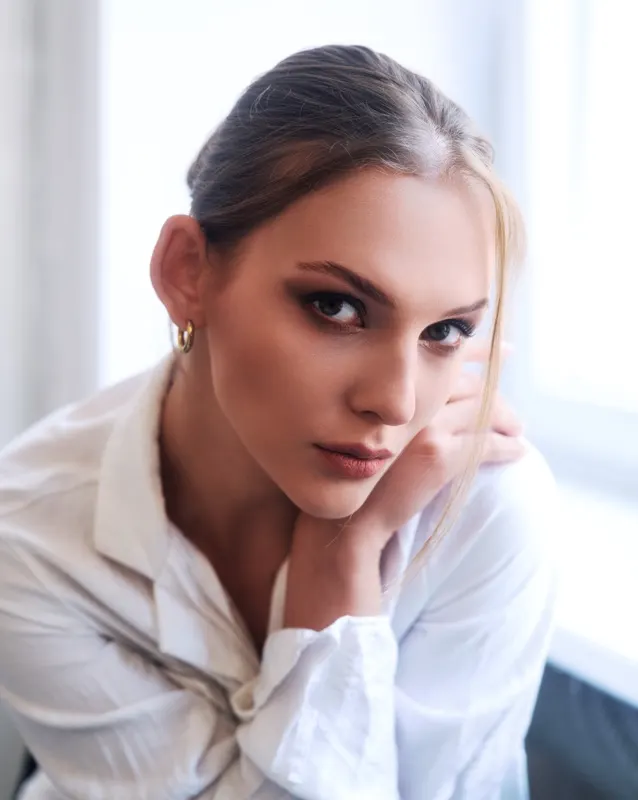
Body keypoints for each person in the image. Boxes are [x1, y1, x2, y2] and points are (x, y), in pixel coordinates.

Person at [0, 45, 556, 799]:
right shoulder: (32, 535)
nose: (396, 403)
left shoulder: (486, 508)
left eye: (445, 332)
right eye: (337, 307)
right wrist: (342, 554)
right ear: (187, 273)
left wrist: (342, 555)